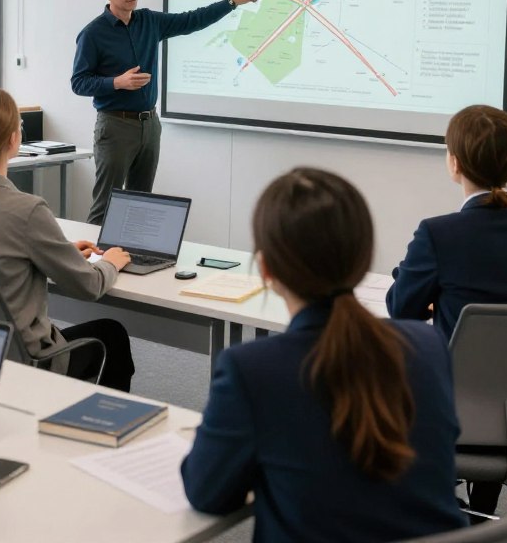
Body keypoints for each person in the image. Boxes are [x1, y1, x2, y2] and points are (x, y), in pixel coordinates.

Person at [182, 168, 466, 543]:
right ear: (363, 262)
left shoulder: (251, 371)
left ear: (266, 269)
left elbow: (208, 492)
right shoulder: (428, 346)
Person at [0, 88, 136, 391]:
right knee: (112, 334)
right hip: (21, 360)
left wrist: (56, 252)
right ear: (13, 140)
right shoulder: (26, 210)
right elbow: (89, 286)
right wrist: (110, 263)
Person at [387, 104, 507, 518]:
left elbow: (401, 310)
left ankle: (451, 508)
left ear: (454, 162)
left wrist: (415, 281)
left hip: (453, 416)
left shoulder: (439, 234)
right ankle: (482, 510)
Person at [71, 0, 261, 225]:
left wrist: (234, 1)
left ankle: (130, 261)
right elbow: (79, 82)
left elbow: (192, 20)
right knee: (107, 206)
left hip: (149, 125)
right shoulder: (93, 34)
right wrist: (117, 82)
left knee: (140, 203)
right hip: (115, 126)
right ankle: (91, 265)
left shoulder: (150, 21)